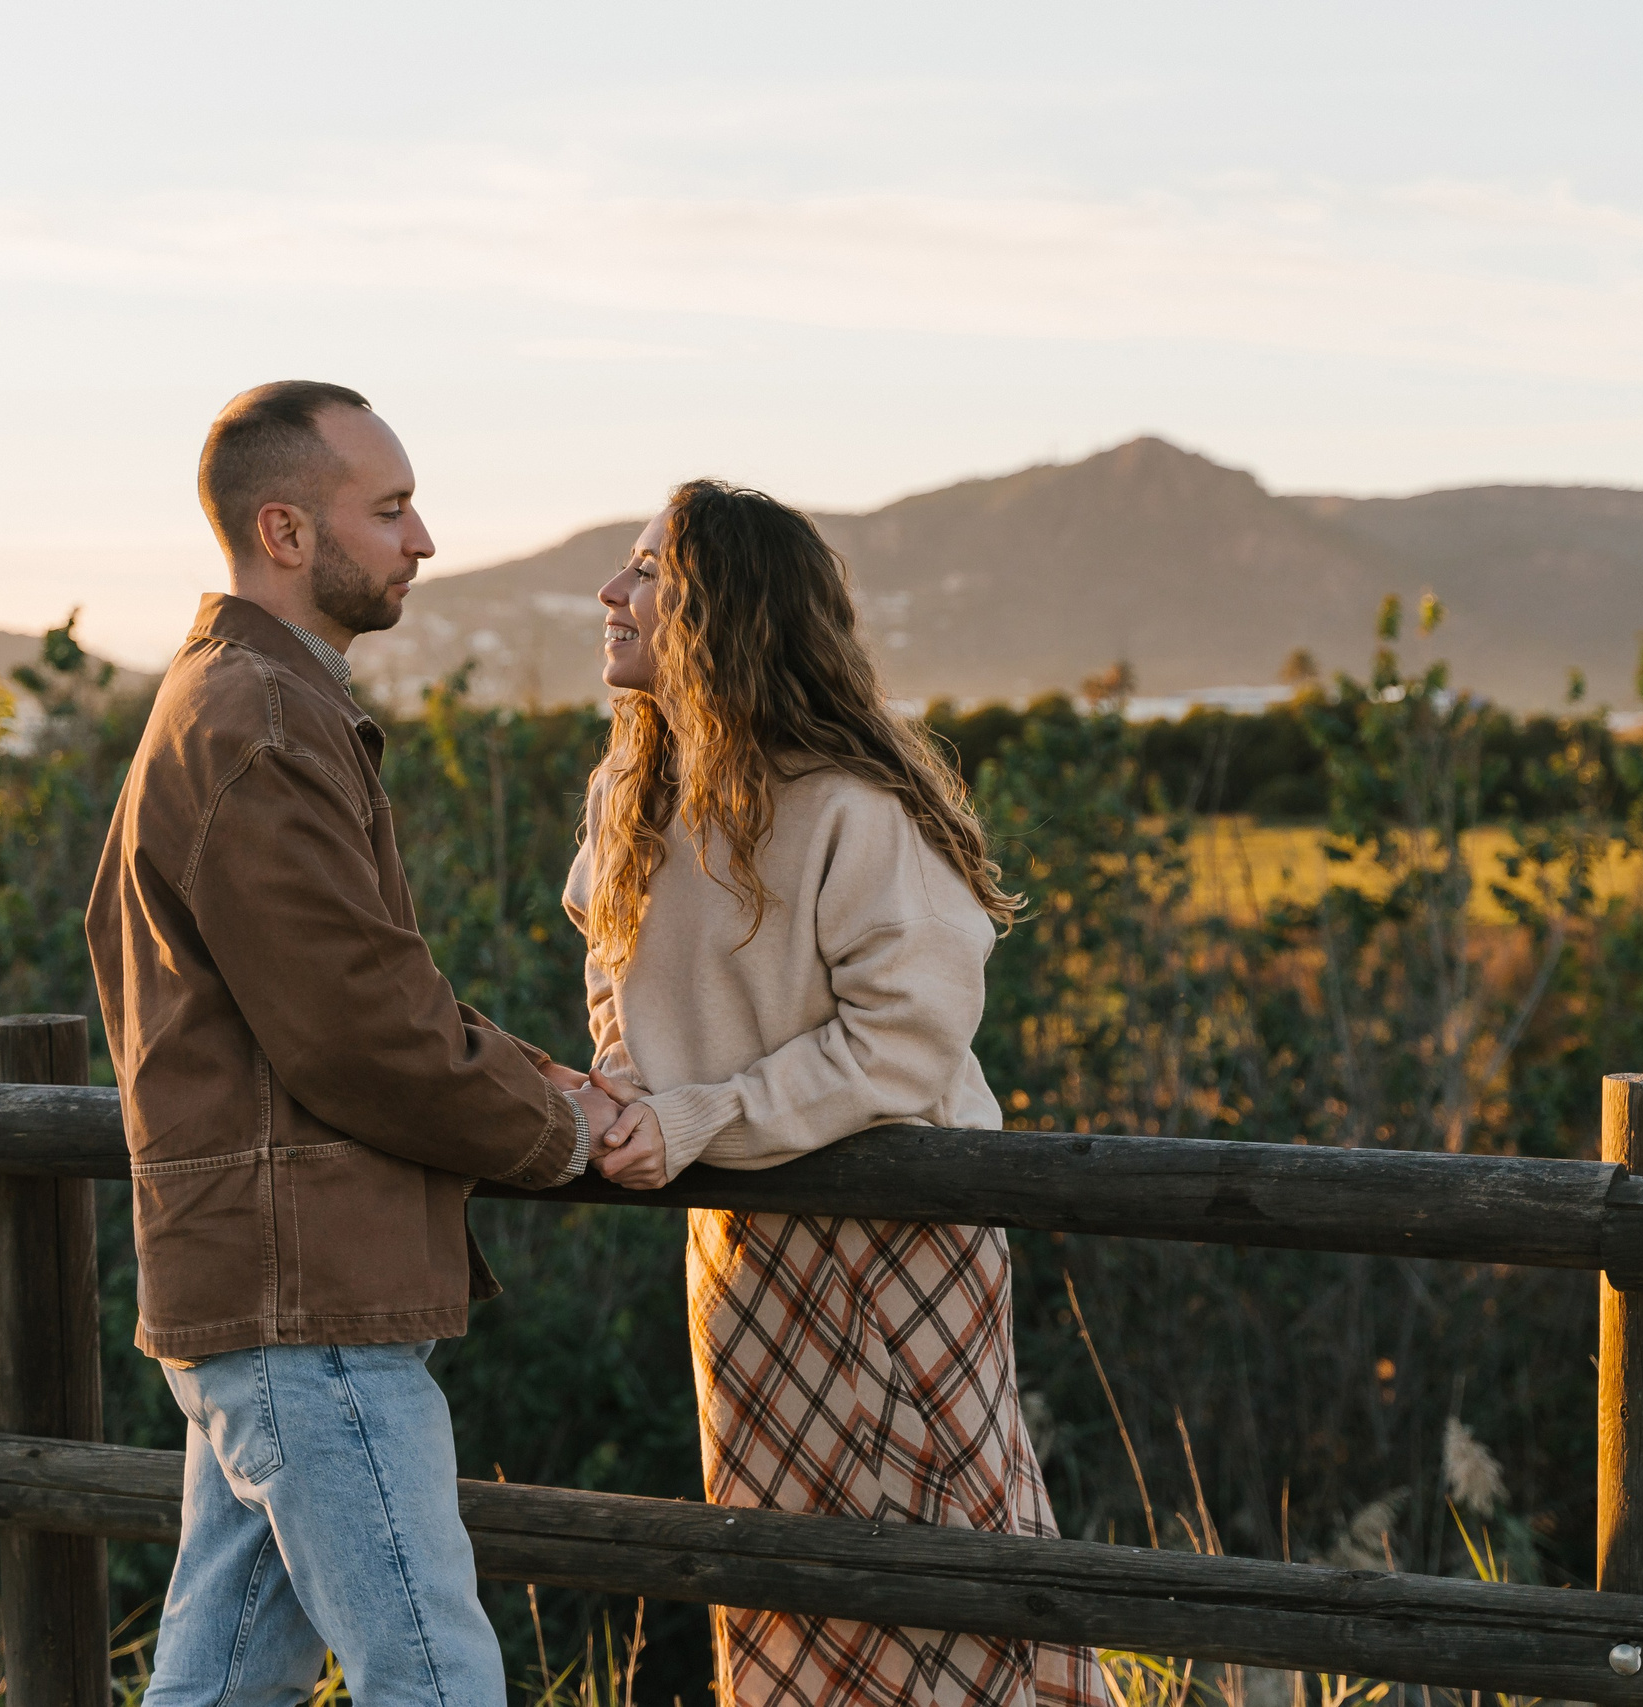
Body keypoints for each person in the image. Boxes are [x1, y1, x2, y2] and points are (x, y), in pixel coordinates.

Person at [86, 380, 619, 1705]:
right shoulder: (258, 722)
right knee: (432, 1674)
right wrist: (564, 1128)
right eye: (388, 509)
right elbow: (360, 1024)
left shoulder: (245, 701)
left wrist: (527, 1070)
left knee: (220, 1684)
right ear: (283, 530)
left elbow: (360, 986)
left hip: (272, 1284)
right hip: (302, 1296)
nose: (422, 538)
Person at [563, 480, 1104, 1707]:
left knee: (951, 1560)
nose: (611, 594)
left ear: (721, 611)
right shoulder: (633, 800)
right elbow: (613, 978)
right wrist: (626, 1092)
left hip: (898, 1235)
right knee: (779, 1580)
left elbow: (903, 1048)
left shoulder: (854, 811)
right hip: (743, 1254)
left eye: (645, 571)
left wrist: (696, 1118)